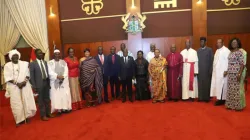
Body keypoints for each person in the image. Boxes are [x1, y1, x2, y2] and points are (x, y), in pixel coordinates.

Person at [4, 49, 36, 127]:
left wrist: (24, 82)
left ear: (19, 56)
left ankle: (26, 116)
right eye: (14, 56)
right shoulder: (7, 65)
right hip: (14, 87)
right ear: (11, 57)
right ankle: (19, 119)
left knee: (26, 101)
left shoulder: (24, 64)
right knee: (16, 103)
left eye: (17, 55)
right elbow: (7, 77)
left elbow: (28, 74)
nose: (15, 57)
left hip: (24, 85)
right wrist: (17, 84)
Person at [30, 49, 53, 121]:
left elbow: (48, 74)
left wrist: (49, 83)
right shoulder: (33, 63)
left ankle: (48, 113)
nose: (41, 54)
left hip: (46, 82)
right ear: (36, 54)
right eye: (39, 53)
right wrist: (34, 86)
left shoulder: (45, 62)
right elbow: (32, 76)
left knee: (47, 99)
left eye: (41, 53)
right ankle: (43, 115)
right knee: (41, 100)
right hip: (38, 84)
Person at [48, 49, 72, 115]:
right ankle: (58, 110)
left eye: (58, 54)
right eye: (56, 54)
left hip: (63, 82)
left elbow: (66, 71)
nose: (57, 55)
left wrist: (63, 77)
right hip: (55, 82)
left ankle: (65, 108)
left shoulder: (63, 62)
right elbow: (50, 72)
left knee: (64, 94)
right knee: (57, 95)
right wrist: (57, 76)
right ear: (53, 55)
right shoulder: (50, 63)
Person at [225, 38, 246, 111]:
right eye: (232, 42)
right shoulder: (230, 52)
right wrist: (227, 71)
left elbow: (242, 64)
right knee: (230, 90)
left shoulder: (240, 52)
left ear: (238, 43)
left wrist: (239, 73)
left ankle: (237, 106)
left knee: (236, 90)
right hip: (230, 74)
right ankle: (230, 105)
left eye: (235, 42)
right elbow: (229, 64)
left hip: (236, 74)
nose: (233, 44)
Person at [210, 39, 230, 106]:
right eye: (217, 43)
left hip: (223, 72)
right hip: (216, 72)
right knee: (218, 86)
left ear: (223, 43)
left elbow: (228, 61)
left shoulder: (226, 50)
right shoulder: (217, 50)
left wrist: (226, 70)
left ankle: (222, 100)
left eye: (219, 42)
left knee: (222, 86)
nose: (218, 44)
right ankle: (219, 98)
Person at [197, 37, 213, 102]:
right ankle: (200, 98)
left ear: (205, 42)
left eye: (203, 42)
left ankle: (206, 98)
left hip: (207, 71)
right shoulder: (198, 50)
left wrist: (210, 70)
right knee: (200, 84)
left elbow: (212, 60)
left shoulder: (209, 50)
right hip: (200, 71)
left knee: (207, 84)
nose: (201, 43)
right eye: (201, 42)